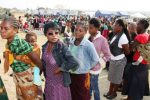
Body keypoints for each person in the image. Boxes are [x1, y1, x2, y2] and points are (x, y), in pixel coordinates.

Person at [1, 16, 42, 100]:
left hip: (28, 79)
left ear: (15, 30)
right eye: (1, 28)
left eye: (6, 28)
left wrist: (35, 78)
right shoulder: (9, 42)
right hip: (18, 77)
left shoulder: (20, 43)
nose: (2, 30)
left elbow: (38, 62)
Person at [42, 22, 79, 100]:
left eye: (56, 33)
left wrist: (61, 68)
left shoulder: (62, 47)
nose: (54, 36)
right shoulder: (44, 47)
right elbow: (44, 62)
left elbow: (73, 62)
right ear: (45, 34)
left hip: (60, 82)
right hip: (49, 81)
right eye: (50, 34)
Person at [68, 22, 100, 100]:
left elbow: (95, 59)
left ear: (85, 32)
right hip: (71, 75)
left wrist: (86, 67)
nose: (77, 32)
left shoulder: (88, 44)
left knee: (82, 96)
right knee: (72, 95)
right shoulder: (71, 41)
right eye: (76, 30)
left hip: (82, 76)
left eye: (80, 30)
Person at [104, 19, 130, 99]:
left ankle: (114, 93)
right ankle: (110, 91)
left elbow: (127, 52)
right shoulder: (116, 34)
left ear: (120, 27)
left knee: (117, 79)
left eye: (115, 25)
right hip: (113, 59)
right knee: (112, 77)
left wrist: (119, 53)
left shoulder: (123, 38)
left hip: (119, 61)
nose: (113, 26)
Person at [125, 19, 150, 100]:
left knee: (134, 84)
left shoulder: (139, 36)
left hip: (137, 64)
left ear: (142, 26)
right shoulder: (147, 35)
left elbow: (131, 49)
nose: (136, 26)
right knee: (140, 84)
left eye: (137, 24)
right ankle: (129, 98)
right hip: (144, 63)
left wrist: (131, 42)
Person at [88, 18, 111, 100]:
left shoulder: (102, 40)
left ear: (97, 28)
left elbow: (108, 55)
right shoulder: (88, 38)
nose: (89, 29)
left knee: (95, 88)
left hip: (95, 69)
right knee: (89, 87)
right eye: (88, 27)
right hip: (87, 68)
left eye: (91, 28)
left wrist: (99, 63)